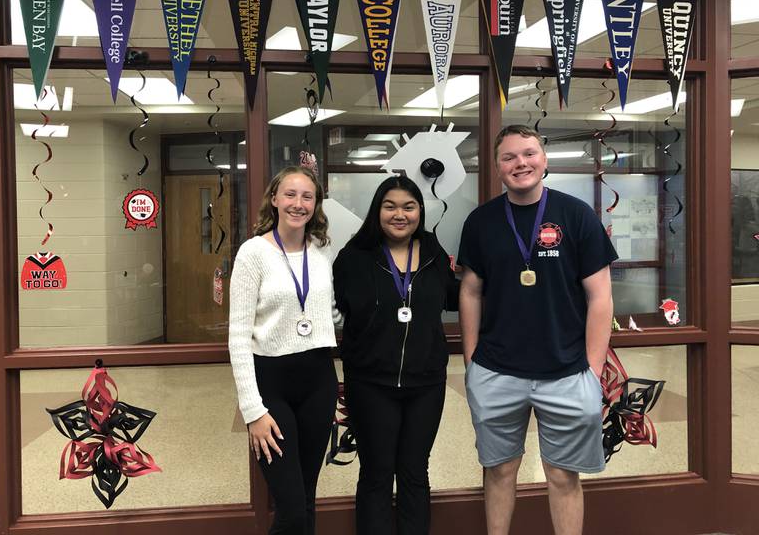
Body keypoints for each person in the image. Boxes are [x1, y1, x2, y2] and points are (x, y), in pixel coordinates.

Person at [458, 125, 617, 535]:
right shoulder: (481, 222)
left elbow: (600, 297)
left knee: (563, 475)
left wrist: (592, 371)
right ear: (497, 167)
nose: (520, 163)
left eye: (529, 153)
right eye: (509, 157)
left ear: (544, 161)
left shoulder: (576, 215)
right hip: (496, 371)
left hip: (567, 373)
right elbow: (471, 292)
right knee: (499, 470)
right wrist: (473, 362)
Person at [333, 175, 460, 535]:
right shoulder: (353, 258)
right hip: (371, 383)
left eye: (409, 206)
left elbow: (453, 297)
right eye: (390, 206)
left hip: (426, 383)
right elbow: (335, 309)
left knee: (415, 472)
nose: (399, 214)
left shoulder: (435, 254)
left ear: (420, 210)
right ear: (377, 211)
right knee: (375, 473)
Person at [229, 166, 339, 535]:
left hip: (319, 379)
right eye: (290, 195)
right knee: (290, 509)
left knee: (307, 498)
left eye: (307, 196)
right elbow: (238, 335)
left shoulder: (321, 251)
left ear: (316, 205)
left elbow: (329, 310)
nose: (298, 203)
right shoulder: (253, 253)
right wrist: (252, 410)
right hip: (271, 384)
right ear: (274, 200)